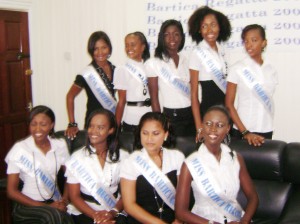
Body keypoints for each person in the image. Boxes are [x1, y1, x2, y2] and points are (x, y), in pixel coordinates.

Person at [175, 105, 258, 224]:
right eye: (208, 124)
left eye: (219, 125)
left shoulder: (236, 159)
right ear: (202, 126)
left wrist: (244, 221)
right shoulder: (190, 164)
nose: (213, 129)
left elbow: (253, 197)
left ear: (228, 129)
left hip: (236, 219)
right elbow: (181, 212)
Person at [5, 105, 73, 224]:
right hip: (28, 205)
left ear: (51, 125)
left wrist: (65, 200)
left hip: (54, 200)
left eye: (43, 124)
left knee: (65, 218)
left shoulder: (60, 145)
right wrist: (46, 206)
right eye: (33, 124)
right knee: (52, 215)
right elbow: (11, 191)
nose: (37, 129)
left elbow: (70, 176)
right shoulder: (20, 149)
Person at [65, 108, 129, 224]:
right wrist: (96, 216)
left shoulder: (123, 156)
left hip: (113, 210)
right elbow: (74, 196)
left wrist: (113, 212)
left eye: (100, 127)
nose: (93, 131)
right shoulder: (77, 157)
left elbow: (127, 194)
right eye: (91, 126)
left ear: (111, 130)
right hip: (84, 211)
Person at [120, 112, 185, 224]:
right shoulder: (130, 162)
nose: (149, 139)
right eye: (145, 133)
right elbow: (129, 205)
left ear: (165, 135)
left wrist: (179, 220)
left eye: (155, 133)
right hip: (142, 220)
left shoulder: (177, 157)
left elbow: (183, 195)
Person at [225, 24, 278, 146]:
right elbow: (229, 104)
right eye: (246, 41)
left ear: (264, 43)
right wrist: (245, 132)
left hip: (266, 129)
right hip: (242, 131)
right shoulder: (237, 68)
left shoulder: (271, 69)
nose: (249, 44)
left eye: (254, 40)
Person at [188, 6, 231, 142]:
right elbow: (194, 94)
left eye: (213, 25)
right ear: (199, 30)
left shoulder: (223, 50)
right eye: (204, 26)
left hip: (225, 112)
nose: (209, 30)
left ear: (220, 27)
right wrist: (199, 126)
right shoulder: (197, 53)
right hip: (207, 112)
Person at [145, 19, 194, 137]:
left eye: (176, 34)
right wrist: (160, 122)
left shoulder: (187, 60)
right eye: (167, 35)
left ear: (181, 37)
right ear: (162, 37)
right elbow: (154, 97)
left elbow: (193, 90)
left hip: (191, 114)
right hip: (170, 116)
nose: (172, 38)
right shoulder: (153, 63)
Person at [65, 31, 116, 140]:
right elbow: (70, 96)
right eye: (96, 49)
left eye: (104, 47)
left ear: (109, 49)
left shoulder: (116, 70)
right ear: (91, 51)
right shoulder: (87, 73)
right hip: (93, 122)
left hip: (110, 121)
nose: (100, 52)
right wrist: (72, 123)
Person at [113, 31, 151, 133]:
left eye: (133, 45)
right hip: (132, 119)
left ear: (143, 47)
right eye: (126, 45)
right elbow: (121, 101)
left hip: (149, 118)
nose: (129, 48)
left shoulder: (149, 66)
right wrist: (116, 128)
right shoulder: (122, 69)